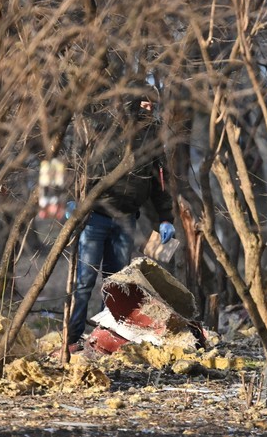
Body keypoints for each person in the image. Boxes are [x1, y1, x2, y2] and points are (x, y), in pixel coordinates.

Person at [65, 86, 175, 349]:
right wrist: (73, 199)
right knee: (84, 281)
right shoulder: (107, 130)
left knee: (115, 284)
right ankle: (70, 339)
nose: (149, 109)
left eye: (153, 105)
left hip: (127, 219)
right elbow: (79, 165)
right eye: (145, 103)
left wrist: (165, 217)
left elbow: (160, 182)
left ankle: (104, 339)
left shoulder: (153, 139)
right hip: (96, 217)